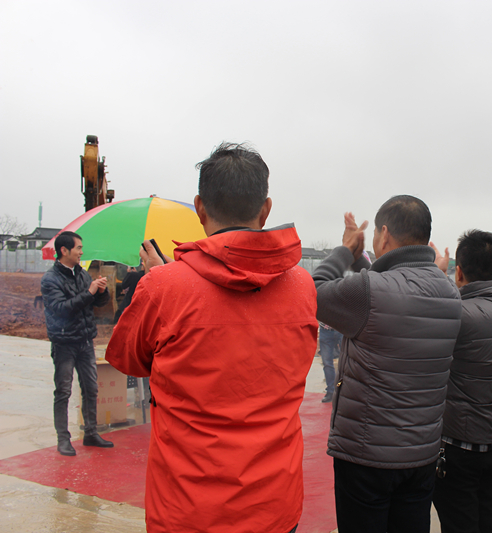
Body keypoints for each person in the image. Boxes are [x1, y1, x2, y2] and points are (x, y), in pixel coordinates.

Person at [106, 143, 318, 533]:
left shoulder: (163, 288)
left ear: (200, 208)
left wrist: (159, 282)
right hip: (275, 503)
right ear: (266, 209)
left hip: (188, 509)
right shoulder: (302, 286)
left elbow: (129, 360)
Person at [313, 195, 462, 533]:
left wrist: (345, 250)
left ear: (383, 234)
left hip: (367, 456)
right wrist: (359, 260)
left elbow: (314, 293)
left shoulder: (370, 291)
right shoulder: (450, 292)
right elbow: (385, 291)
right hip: (421, 454)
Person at [431, 230, 492, 533]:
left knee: (459, 522)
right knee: (487, 516)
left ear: (459, 272)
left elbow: (434, 310)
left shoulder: (459, 314)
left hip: (457, 443)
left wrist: (438, 274)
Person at [41, 231, 113, 456]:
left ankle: (91, 432)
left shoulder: (81, 274)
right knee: (63, 391)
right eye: (78, 248)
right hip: (64, 342)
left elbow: (94, 303)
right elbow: (61, 309)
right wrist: (89, 292)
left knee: (91, 388)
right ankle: (63, 439)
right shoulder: (50, 279)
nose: (82, 252)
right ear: (64, 251)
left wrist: (101, 292)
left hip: (85, 340)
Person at [318, 322, 343, 403]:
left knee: (346, 361)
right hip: (325, 330)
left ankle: (344, 389)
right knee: (327, 363)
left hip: (342, 329)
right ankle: (331, 391)